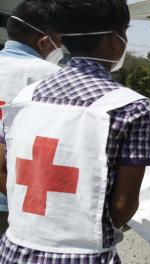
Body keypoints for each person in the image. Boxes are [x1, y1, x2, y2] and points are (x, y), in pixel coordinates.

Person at [0, 0, 150, 264]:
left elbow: (2, 168)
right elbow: (123, 206)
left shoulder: (23, 98)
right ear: (115, 40)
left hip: (14, 255)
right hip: (83, 263)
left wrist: (35, 217)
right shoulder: (133, 107)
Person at [0, 0, 63, 236]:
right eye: (59, 41)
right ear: (44, 41)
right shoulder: (51, 76)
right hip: (19, 196)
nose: (59, 47)